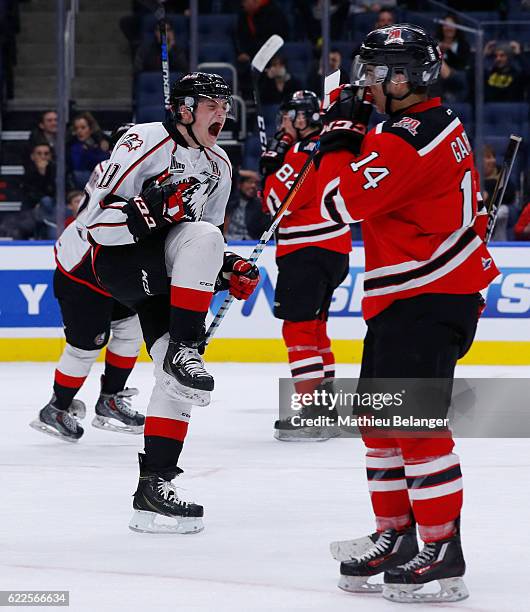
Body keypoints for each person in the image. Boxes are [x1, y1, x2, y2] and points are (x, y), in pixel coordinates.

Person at [314, 25, 499, 602]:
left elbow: (337, 202)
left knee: (416, 427)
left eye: (377, 72)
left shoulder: (408, 135)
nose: (365, 83)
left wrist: (340, 135)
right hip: (410, 297)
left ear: (406, 77)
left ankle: (443, 552)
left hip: (427, 297)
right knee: (380, 424)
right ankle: (396, 535)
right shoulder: (415, 126)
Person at [80, 73, 260, 534]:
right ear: (183, 110)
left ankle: (153, 489)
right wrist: (149, 211)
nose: (221, 113)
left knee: (181, 382)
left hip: (164, 269)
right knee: (201, 239)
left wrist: (228, 269)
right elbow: (94, 224)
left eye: (225, 105)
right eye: (210, 105)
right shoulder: (145, 139)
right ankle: (184, 345)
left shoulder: (219, 164)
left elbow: (205, 246)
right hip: (120, 260)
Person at [30, 124, 146, 443]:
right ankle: (56, 408)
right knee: (85, 347)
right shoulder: (122, 176)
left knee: (130, 329)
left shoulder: (121, 169)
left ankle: (111, 399)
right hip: (83, 273)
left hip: (113, 270)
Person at [260, 90, 352, 441]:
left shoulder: (303, 151)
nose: (282, 124)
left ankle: (313, 411)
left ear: (302, 118)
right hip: (334, 250)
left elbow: (275, 201)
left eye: (287, 117)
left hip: (306, 251)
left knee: (297, 331)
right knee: (315, 330)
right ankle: (326, 407)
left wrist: (272, 166)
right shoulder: (331, 147)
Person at [22, 143, 56, 239]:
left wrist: (44, 173)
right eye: (39, 153)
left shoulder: (56, 171)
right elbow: (27, 193)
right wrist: (40, 174)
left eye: (46, 154)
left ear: (50, 156)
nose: (43, 157)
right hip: (32, 207)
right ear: (33, 157)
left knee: (47, 201)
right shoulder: (28, 172)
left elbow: (55, 192)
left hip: (51, 208)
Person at [68, 112, 111, 189]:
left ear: (91, 129)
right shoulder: (74, 146)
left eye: (83, 128)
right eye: (76, 128)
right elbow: (78, 166)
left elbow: (105, 161)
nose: (79, 131)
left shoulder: (101, 143)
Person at [224, 170, 269, 240]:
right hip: (227, 241)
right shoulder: (229, 199)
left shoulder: (260, 205)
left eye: (256, 183)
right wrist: (240, 172)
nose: (253, 186)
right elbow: (225, 172)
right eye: (249, 182)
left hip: (250, 244)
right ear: (240, 185)